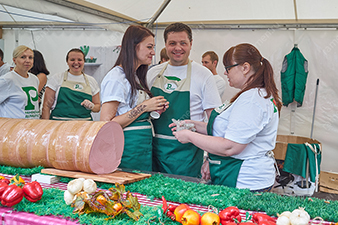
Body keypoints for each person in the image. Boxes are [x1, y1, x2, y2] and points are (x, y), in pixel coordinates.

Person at [171, 43, 282, 191]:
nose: (225, 73)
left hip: (245, 181)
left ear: (245, 68)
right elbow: (228, 129)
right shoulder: (250, 95)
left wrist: (189, 136)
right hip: (239, 175)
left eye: (228, 68)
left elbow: (230, 146)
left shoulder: (251, 100)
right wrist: (194, 125)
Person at [147, 22, 221, 177]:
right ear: (165, 44)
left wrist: (211, 157)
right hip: (154, 151)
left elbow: (215, 122)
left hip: (188, 153)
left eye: (183, 43)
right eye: (172, 43)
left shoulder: (203, 75)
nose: (177, 48)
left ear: (191, 44)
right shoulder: (152, 73)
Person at [100, 25, 169, 172]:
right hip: (127, 149)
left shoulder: (136, 76)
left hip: (142, 148)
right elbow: (106, 124)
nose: (153, 52)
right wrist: (144, 107)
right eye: (149, 47)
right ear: (133, 46)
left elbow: (129, 111)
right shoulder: (116, 77)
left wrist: (153, 110)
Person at [41, 48, 100, 120]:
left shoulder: (91, 81)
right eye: (72, 60)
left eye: (79, 60)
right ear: (67, 62)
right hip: (59, 124)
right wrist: (46, 127)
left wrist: (92, 106)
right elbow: (46, 105)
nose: (76, 62)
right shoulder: (57, 78)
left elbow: (98, 107)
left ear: (84, 61)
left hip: (84, 126)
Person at [0, 45, 40, 119]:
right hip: (13, 127)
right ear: (14, 60)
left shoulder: (35, 79)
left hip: (32, 125)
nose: (27, 60)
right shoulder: (7, 80)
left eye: (30, 57)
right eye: (23, 57)